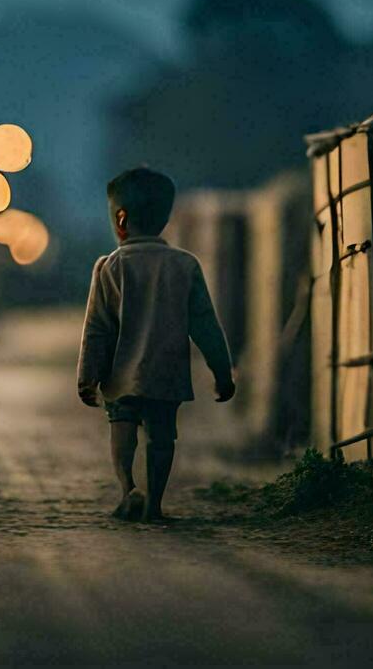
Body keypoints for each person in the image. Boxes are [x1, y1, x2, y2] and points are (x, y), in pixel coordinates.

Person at [76, 166, 235, 523]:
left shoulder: (109, 267)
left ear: (120, 218)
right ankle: (154, 505)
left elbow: (97, 329)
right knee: (162, 439)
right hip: (165, 375)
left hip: (120, 377)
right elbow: (206, 325)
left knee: (122, 430)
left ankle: (127, 488)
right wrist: (222, 372)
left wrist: (87, 377)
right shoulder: (184, 265)